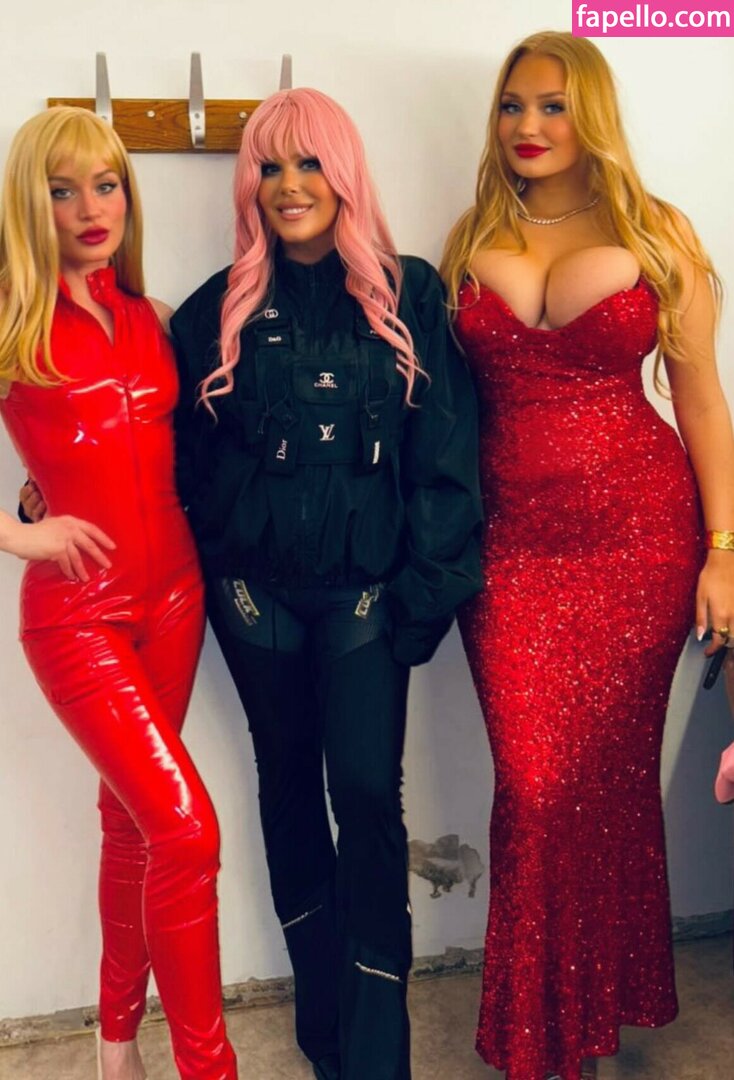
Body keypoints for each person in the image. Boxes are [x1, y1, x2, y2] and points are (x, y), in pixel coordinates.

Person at [170, 87, 482, 1080]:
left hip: (366, 600)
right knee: (289, 789)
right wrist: (53, 489)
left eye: (309, 162)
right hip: (255, 601)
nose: (289, 185)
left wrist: (418, 605)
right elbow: (168, 459)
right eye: (269, 166)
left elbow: (446, 459)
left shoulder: (410, 295)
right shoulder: (214, 311)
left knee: (366, 792)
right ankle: (323, 1031)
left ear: (343, 172)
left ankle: (378, 1051)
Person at [440, 30, 734, 1080]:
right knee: (532, 786)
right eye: (512, 105)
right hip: (509, 555)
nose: (527, 125)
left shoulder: (657, 232)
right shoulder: (470, 236)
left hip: (637, 542)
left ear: (591, 113)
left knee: (605, 790)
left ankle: (591, 1021)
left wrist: (723, 551)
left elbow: (701, 403)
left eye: (552, 105)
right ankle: (540, 1035)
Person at [0, 106, 238, 1080]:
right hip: (76, 615)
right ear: (32, 203)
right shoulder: (12, 317)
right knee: (187, 830)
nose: (91, 208)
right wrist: (24, 532)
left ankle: (114, 1048)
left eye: (106, 185)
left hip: (176, 597)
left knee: (134, 828)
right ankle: (208, 1067)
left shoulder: (149, 316)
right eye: (63, 190)